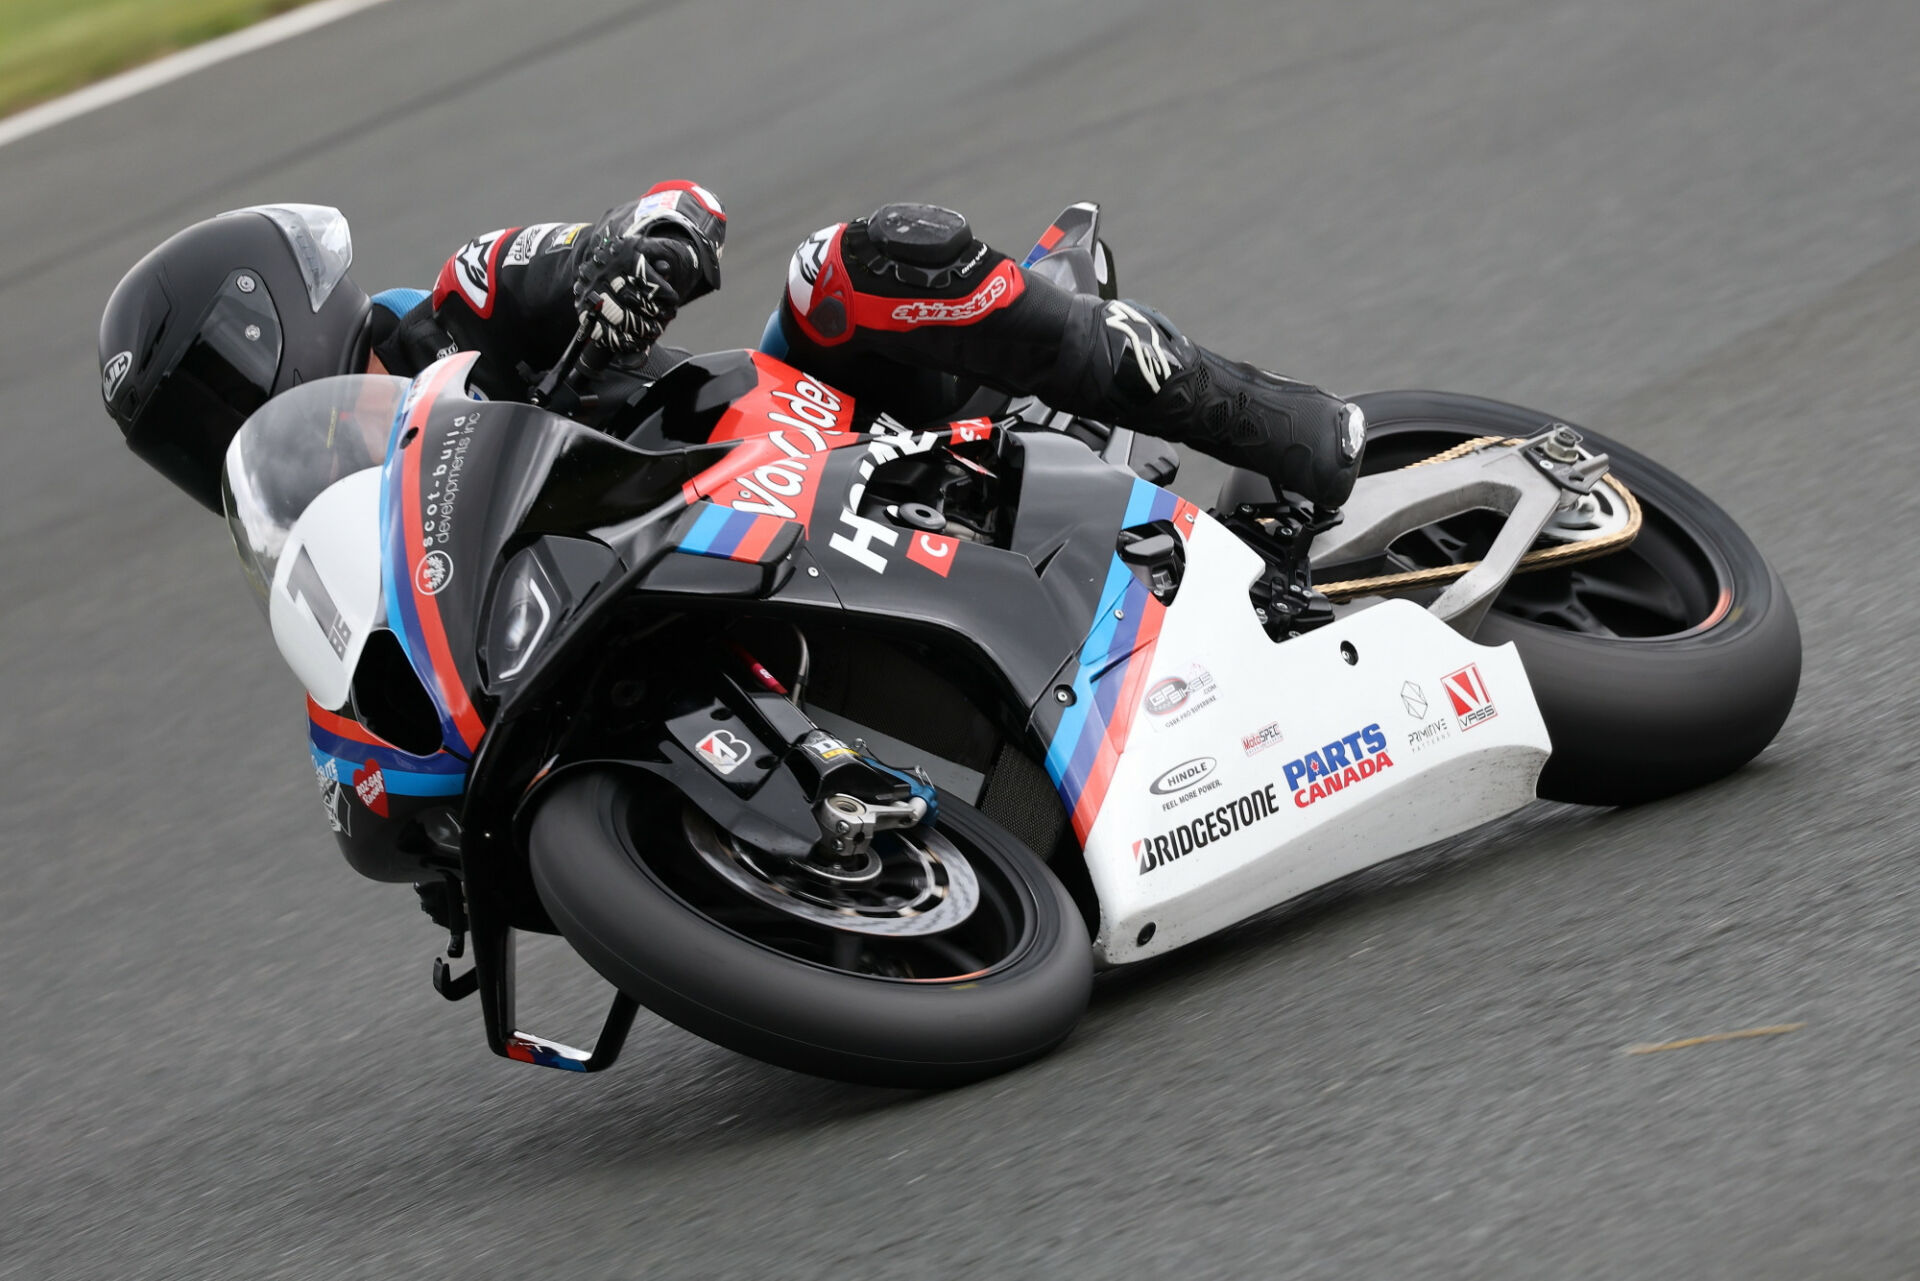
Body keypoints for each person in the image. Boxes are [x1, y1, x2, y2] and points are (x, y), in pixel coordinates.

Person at [97, 185, 1363, 517]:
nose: (217, 439)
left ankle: (1271, 419)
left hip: (794, 441)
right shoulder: (340, 545)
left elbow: (672, 210)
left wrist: (628, 263)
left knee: (852, 263)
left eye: (214, 398)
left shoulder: (464, 300)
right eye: (186, 438)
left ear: (275, 321)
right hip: (663, 598)